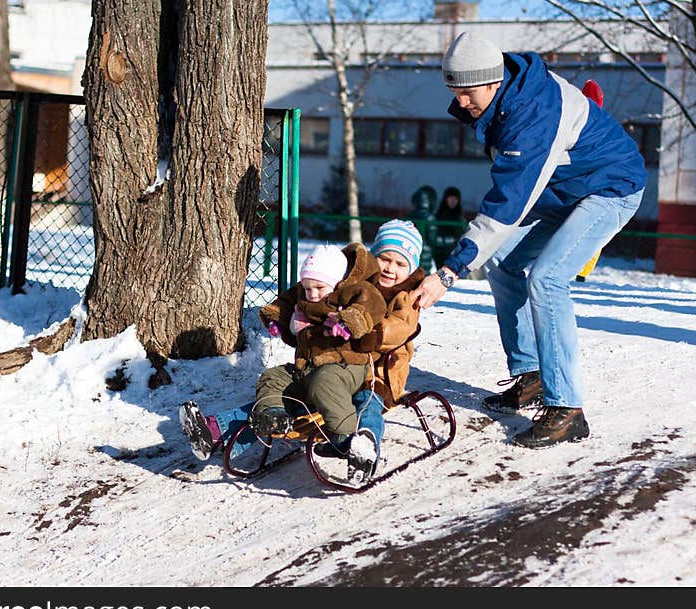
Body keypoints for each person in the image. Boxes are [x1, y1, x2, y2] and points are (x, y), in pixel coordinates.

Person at [410, 31, 646, 449]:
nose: (460, 102)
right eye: (454, 91)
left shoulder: (532, 115)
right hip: (564, 191)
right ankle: (533, 373)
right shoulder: (503, 98)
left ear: (492, 81)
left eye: (466, 93)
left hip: (611, 189)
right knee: (501, 259)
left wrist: (448, 273)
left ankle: (567, 408)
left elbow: (507, 205)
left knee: (547, 278)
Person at [180, 220, 426, 485]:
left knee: (367, 407)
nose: (390, 268)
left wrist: (357, 329)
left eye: (401, 264)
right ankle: (217, 433)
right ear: (374, 255)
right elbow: (300, 297)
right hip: (328, 365)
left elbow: (397, 329)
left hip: (377, 375)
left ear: (411, 268)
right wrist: (289, 320)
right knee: (288, 400)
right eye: (385, 258)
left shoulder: (406, 298)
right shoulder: (344, 279)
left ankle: (362, 448)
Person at [432, 186, 465, 269]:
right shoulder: (437, 216)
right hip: (439, 253)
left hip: (454, 255)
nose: (453, 201)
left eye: (455, 198)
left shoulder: (460, 218)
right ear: (446, 199)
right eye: (450, 198)